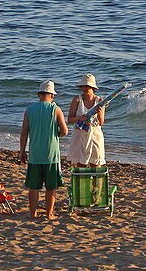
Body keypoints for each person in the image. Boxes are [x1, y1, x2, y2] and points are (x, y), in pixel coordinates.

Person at [19, 80, 69, 219]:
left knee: (33, 187)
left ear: (39, 95)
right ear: (52, 96)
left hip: (35, 154)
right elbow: (65, 131)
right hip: (51, 155)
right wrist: (56, 134)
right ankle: (49, 213)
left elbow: (24, 133)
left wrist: (22, 151)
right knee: (51, 187)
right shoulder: (56, 110)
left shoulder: (29, 110)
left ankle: (33, 213)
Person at [67, 74, 106, 168]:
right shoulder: (77, 100)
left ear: (92, 87)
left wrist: (100, 114)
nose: (85, 88)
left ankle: (95, 182)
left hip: (95, 135)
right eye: (83, 86)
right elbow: (69, 119)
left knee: (96, 164)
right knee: (80, 164)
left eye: (87, 86)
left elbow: (101, 123)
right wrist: (79, 118)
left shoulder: (100, 101)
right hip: (80, 135)